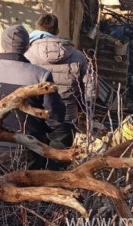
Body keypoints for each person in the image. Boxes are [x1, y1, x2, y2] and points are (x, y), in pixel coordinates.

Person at [0, 25, 67, 171]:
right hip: (31, 148)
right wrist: (44, 131)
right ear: (27, 46)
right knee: (27, 191)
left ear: (2, 44)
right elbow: (55, 116)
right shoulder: (41, 75)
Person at [24, 13, 93, 147]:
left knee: (33, 159)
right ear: (57, 31)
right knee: (60, 159)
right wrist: (84, 108)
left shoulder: (27, 54)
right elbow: (90, 87)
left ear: (36, 29)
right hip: (67, 116)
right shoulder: (77, 55)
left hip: (35, 115)